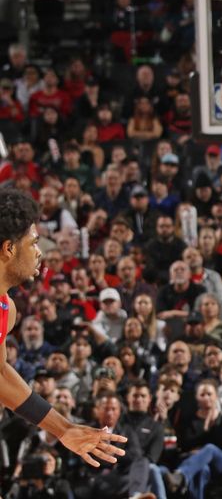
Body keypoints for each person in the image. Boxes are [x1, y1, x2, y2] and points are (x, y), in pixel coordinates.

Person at [0, 190, 127, 466]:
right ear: (9, 249)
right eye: (33, 243)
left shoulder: (6, 309)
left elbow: (0, 376)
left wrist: (64, 428)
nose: (40, 252)